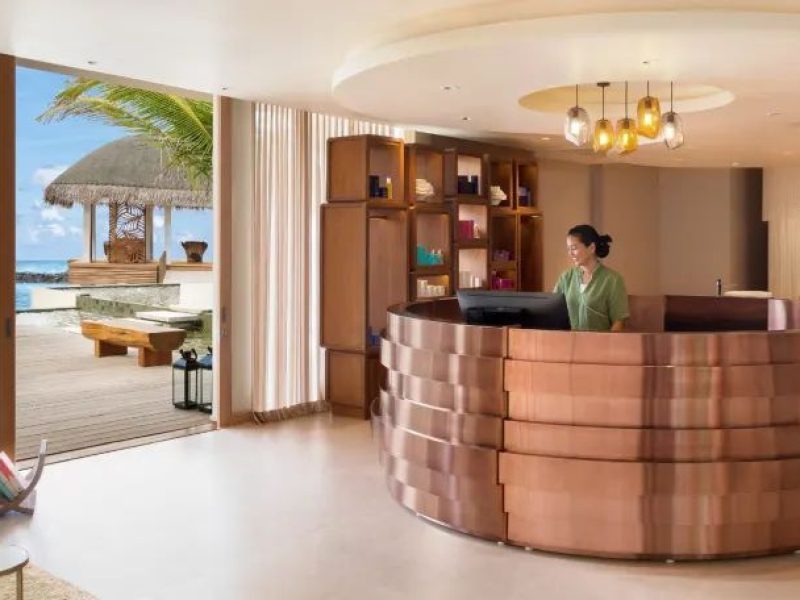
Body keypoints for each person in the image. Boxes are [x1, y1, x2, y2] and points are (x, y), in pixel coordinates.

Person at [553, 224, 629, 331]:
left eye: (574, 248)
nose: (570, 254)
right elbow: (552, 310)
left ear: (592, 248)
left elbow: (619, 321)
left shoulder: (613, 280)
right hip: (568, 340)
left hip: (601, 341)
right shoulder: (566, 277)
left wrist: (608, 341)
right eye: (568, 249)